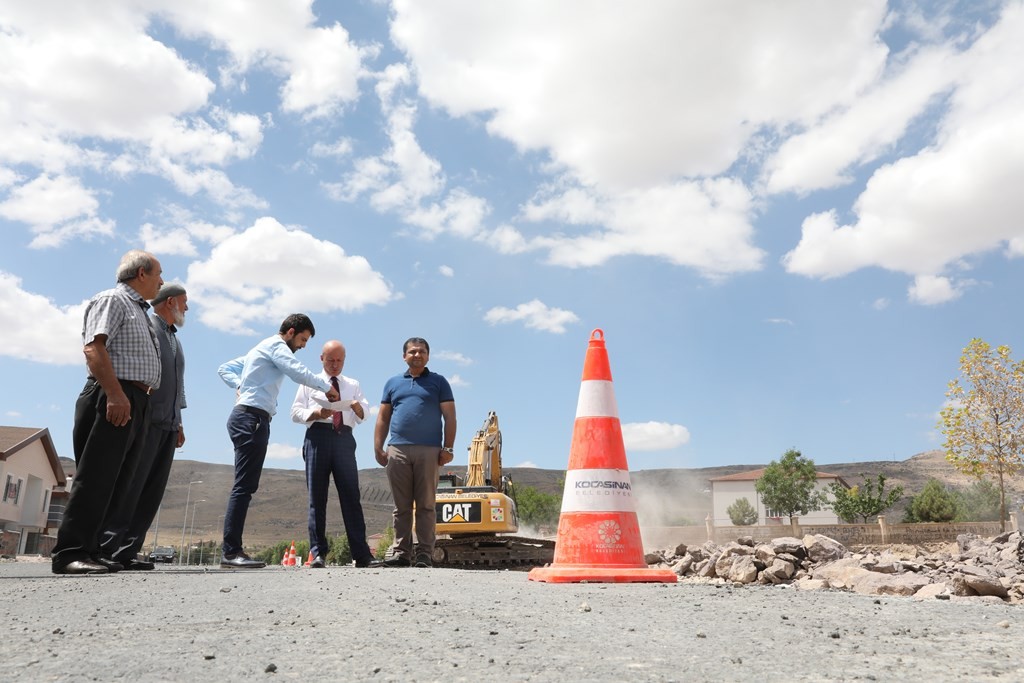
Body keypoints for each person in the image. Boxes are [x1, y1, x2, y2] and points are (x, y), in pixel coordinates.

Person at [51, 250, 164, 575]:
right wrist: (115, 394)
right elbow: (94, 347)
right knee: (97, 477)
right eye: (159, 273)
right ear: (141, 273)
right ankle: (69, 552)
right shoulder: (113, 300)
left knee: (119, 481)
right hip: (113, 394)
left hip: (136, 400)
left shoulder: (139, 310)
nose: (161, 281)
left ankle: (95, 549)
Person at [217, 314, 339, 568]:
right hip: (251, 418)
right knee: (244, 486)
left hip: (251, 417)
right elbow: (295, 371)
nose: (303, 345)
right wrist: (325, 387)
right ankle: (230, 552)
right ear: (291, 331)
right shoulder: (276, 346)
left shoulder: (259, 349)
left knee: (245, 485)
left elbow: (225, 368)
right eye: (303, 339)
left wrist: (241, 385)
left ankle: (232, 550)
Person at [97, 283, 188, 571]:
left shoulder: (175, 338)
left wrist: (179, 420)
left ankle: (128, 550)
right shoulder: (148, 327)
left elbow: (178, 383)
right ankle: (108, 548)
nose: (187, 308)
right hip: (146, 418)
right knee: (131, 485)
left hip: (169, 423)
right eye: (184, 302)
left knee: (152, 490)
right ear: (170, 302)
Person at [290, 340, 380, 568]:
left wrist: (360, 409)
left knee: (351, 497)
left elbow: (365, 412)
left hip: (344, 439)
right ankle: (318, 554)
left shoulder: (353, 384)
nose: (335, 364)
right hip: (317, 438)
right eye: (330, 360)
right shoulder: (309, 382)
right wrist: (316, 412)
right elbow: (295, 412)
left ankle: (362, 555)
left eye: (339, 360)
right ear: (321, 359)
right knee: (316, 499)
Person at [373, 337, 456, 568]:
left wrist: (448, 448)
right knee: (401, 506)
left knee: (426, 505)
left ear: (428, 356)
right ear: (404, 356)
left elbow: (450, 416)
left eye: (421, 351)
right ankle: (401, 552)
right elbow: (383, 417)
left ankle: (424, 554)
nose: (417, 355)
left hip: (429, 450)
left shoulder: (439, 383)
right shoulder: (392, 383)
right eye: (412, 352)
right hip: (397, 449)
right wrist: (378, 447)